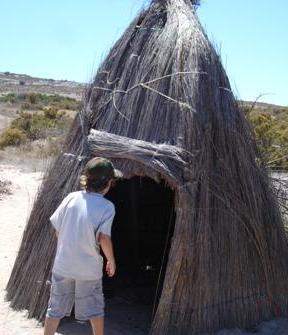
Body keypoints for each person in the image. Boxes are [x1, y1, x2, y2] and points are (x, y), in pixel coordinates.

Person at [44, 157, 123, 335]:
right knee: (94, 308)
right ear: (109, 183)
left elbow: (57, 228)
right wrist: (111, 260)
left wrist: (68, 246)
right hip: (88, 269)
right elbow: (103, 238)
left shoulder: (71, 198)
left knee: (54, 308)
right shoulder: (107, 207)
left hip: (63, 265)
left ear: (85, 179)